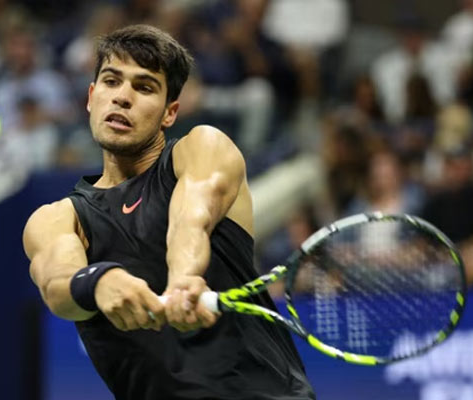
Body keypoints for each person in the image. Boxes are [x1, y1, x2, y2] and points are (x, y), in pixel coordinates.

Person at [23, 25, 314, 399]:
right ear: (91, 97)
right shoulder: (57, 219)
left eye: (144, 87)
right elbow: (57, 284)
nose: (122, 97)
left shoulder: (203, 148)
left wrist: (184, 278)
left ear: (169, 113)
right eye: (111, 81)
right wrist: (99, 282)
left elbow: (191, 217)